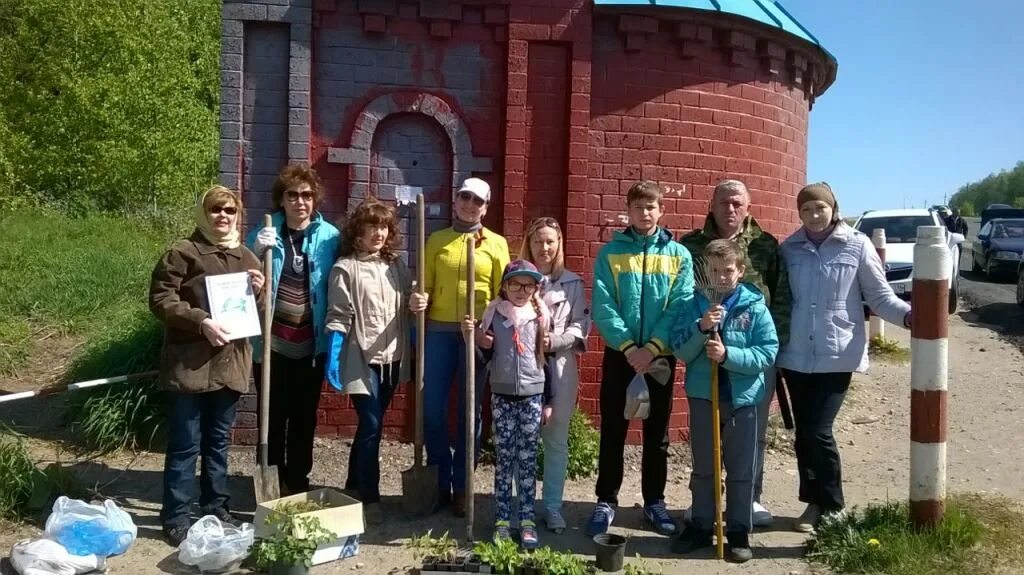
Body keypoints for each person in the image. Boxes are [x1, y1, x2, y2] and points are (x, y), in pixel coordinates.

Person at [779, 182, 911, 533]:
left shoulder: (857, 245)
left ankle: (833, 505)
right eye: (806, 209)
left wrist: (911, 316)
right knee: (804, 434)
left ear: (833, 208)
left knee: (819, 430)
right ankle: (813, 503)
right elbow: (780, 300)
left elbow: (879, 297)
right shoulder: (790, 248)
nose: (813, 215)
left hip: (837, 353)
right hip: (795, 356)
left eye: (820, 208)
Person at [149, 185, 265, 545]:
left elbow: (255, 314)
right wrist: (200, 320)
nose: (223, 216)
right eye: (216, 209)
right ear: (204, 212)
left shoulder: (247, 257)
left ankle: (215, 506)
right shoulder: (183, 253)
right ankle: (177, 516)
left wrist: (260, 291)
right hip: (192, 366)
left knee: (217, 444)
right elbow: (160, 299)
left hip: (230, 366)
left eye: (230, 210)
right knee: (185, 445)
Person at [678, 179, 789, 527]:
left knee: (749, 435)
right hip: (704, 355)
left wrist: (775, 351)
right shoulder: (692, 245)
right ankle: (705, 509)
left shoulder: (765, 245)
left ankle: (749, 500)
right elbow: (682, 296)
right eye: (724, 202)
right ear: (711, 205)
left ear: (748, 207)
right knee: (708, 438)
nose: (730, 209)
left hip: (751, 355)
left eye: (737, 203)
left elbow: (781, 298)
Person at [587, 180, 694, 537]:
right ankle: (606, 500)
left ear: (661, 211)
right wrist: (631, 348)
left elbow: (681, 304)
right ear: (627, 211)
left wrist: (652, 347)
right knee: (614, 431)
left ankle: (654, 501)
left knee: (657, 433)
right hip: (622, 356)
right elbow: (603, 306)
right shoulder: (610, 253)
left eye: (651, 207)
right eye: (638, 207)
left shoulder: (679, 255)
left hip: (660, 357)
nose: (645, 213)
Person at [669, 239, 779, 563]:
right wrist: (701, 327)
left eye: (727, 270)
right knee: (705, 466)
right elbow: (679, 348)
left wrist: (728, 355)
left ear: (740, 271)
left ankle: (739, 530)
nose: (720, 277)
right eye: (713, 270)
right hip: (705, 395)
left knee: (742, 469)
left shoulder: (754, 306)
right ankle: (702, 524)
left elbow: (767, 352)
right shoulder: (694, 304)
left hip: (744, 400)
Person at [408, 177, 510, 516]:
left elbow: (503, 295)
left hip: (475, 334)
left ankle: (463, 485)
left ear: (486, 207)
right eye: (465, 197)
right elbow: (424, 285)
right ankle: (440, 478)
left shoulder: (496, 244)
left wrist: (487, 333)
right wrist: (417, 299)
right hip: (437, 331)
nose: (470, 204)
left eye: (477, 201)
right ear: (456, 200)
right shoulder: (437, 240)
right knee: (432, 407)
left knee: (470, 413)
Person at [247, 164, 341, 495]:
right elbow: (240, 277)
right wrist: (255, 253)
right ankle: (272, 480)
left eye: (307, 195)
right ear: (282, 199)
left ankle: (298, 481)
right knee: (272, 415)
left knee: (304, 417)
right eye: (293, 195)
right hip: (271, 344)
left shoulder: (330, 237)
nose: (300, 201)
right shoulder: (265, 232)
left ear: (314, 199)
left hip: (310, 344)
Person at [324, 199, 413, 525]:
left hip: (393, 357)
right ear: (357, 231)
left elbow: (408, 305)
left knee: (368, 427)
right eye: (371, 226)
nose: (378, 232)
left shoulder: (397, 266)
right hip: (361, 358)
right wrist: (334, 351)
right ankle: (370, 496)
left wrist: (418, 300)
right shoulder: (345, 268)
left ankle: (351, 485)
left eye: (383, 226)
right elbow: (338, 314)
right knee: (372, 425)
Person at [469, 260, 552, 548]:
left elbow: (547, 359)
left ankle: (526, 518)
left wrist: (549, 400)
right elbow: (481, 360)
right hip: (502, 397)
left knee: (527, 461)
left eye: (528, 284)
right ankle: (502, 519)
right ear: (505, 286)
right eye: (515, 284)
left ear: (535, 288)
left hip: (532, 396)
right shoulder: (493, 313)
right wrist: (478, 342)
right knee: (505, 460)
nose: (521, 290)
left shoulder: (539, 316)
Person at [519, 217, 591, 533]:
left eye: (550, 241)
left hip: (560, 367)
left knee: (556, 440)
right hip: (523, 366)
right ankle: (521, 507)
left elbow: (580, 325)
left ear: (559, 244)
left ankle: (552, 507)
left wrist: (555, 340)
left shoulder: (572, 283)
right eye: (538, 241)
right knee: (523, 440)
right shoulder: (518, 277)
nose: (544, 248)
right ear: (529, 244)